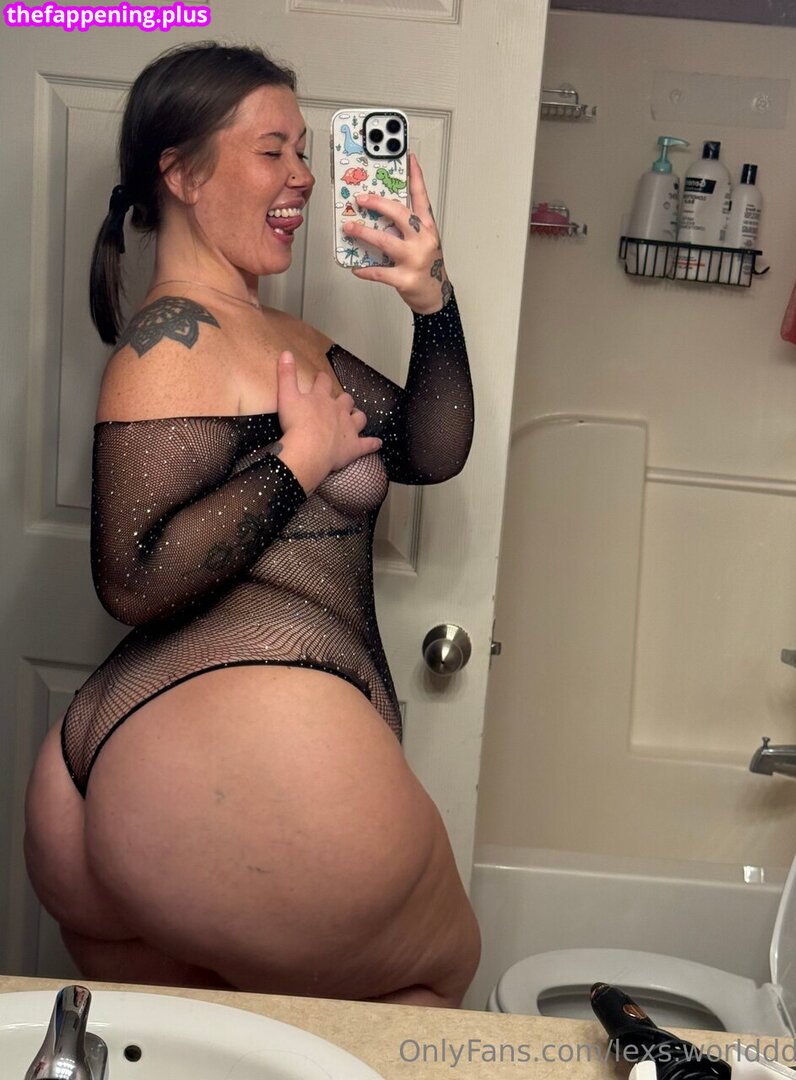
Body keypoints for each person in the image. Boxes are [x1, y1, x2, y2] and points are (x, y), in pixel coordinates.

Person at [22, 42, 479, 1006]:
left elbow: (428, 448)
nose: (303, 176)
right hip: (240, 788)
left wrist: (430, 299)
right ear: (182, 175)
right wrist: (299, 459)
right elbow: (132, 579)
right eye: (273, 151)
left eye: (304, 152)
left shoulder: (283, 337)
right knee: (434, 985)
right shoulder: (167, 342)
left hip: (137, 773)